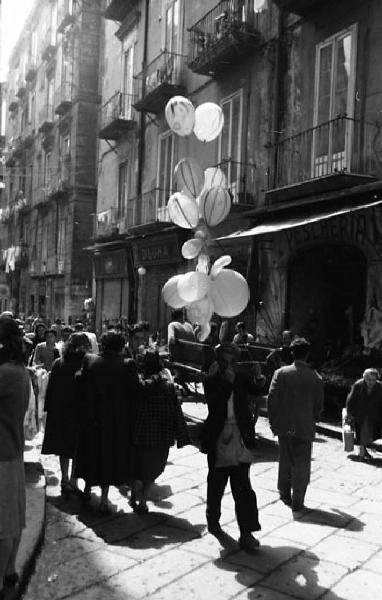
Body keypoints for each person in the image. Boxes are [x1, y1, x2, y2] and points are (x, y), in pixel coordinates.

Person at [201, 343, 266, 552]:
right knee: (217, 483)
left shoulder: (241, 377)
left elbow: (257, 390)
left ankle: (246, 532)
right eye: (225, 362)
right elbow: (214, 403)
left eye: (233, 362)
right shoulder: (211, 379)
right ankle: (213, 519)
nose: (229, 366)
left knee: (243, 486)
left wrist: (259, 378)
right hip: (219, 435)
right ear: (219, 362)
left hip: (240, 435)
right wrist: (227, 383)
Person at [74, 331, 139, 513]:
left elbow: (79, 380)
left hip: (92, 417)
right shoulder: (127, 364)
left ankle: (87, 490)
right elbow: (135, 390)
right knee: (108, 458)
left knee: (91, 453)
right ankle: (103, 500)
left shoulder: (89, 360)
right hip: (116, 421)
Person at [129, 350, 190, 514]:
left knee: (137, 466)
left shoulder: (138, 384)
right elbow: (176, 409)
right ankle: (143, 500)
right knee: (153, 469)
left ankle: (134, 494)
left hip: (140, 433)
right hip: (161, 434)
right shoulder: (167, 386)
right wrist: (180, 434)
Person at [267, 337, 324, 512]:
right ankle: (298, 500)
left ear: (292, 353)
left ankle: (284, 492)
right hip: (305, 426)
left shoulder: (281, 373)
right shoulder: (316, 377)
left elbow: (272, 399)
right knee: (302, 463)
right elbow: (318, 406)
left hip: (285, 425)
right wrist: (313, 418)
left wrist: (273, 422)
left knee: (285, 458)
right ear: (307, 354)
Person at [0, 318, 30, 598]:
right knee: (14, 521)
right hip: (13, 453)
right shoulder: (17, 369)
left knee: (4, 527)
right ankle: (9, 574)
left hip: (4, 457)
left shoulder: (6, 373)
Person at [41, 333, 91, 496]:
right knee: (77, 446)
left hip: (61, 410)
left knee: (64, 447)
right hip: (79, 410)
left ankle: (65, 479)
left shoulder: (58, 363)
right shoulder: (87, 363)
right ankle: (73, 480)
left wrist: (48, 409)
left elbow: (51, 388)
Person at [346, 368, 382, 460]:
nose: (371, 382)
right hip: (360, 414)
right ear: (364, 378)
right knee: (363, 433)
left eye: (373, 380)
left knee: (370, 435)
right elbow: (350, 400)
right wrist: (349, 413)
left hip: (374, 415)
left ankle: (364, 450)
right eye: (368, 379)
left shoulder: (380, 387)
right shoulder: (358, 385)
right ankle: (361, 454)